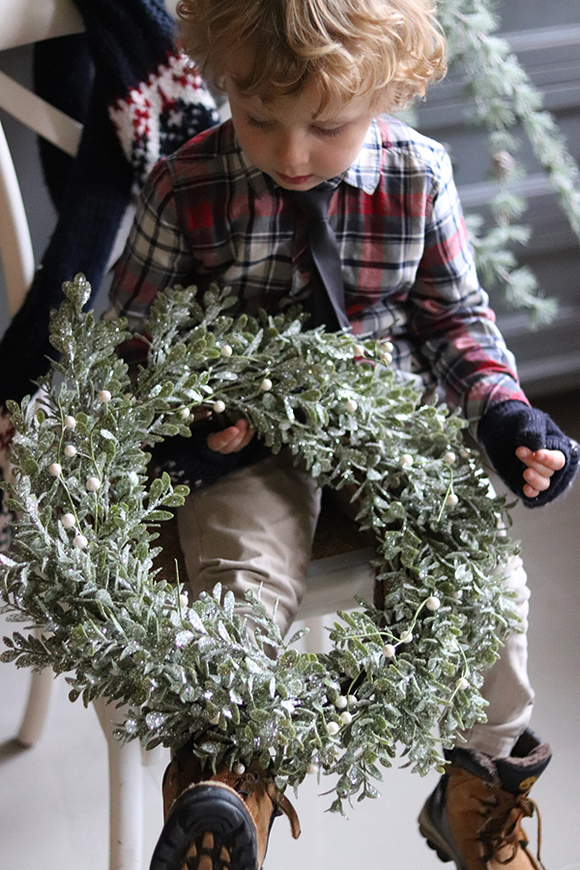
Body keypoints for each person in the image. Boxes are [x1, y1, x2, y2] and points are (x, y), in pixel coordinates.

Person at [107, 1, 579, 868]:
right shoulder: (186, 185)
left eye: (327, 126)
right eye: (259, 119)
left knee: (482, 578)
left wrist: (505, 414)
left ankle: (480, 788)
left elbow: (453, 322)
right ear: (224, 86)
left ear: (384, 90)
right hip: (249, 440)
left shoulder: (417, 175)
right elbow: (131, 338)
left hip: (387, 420)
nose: (290, 154)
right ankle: (224, 795)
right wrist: (192, 423)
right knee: (239, 572)